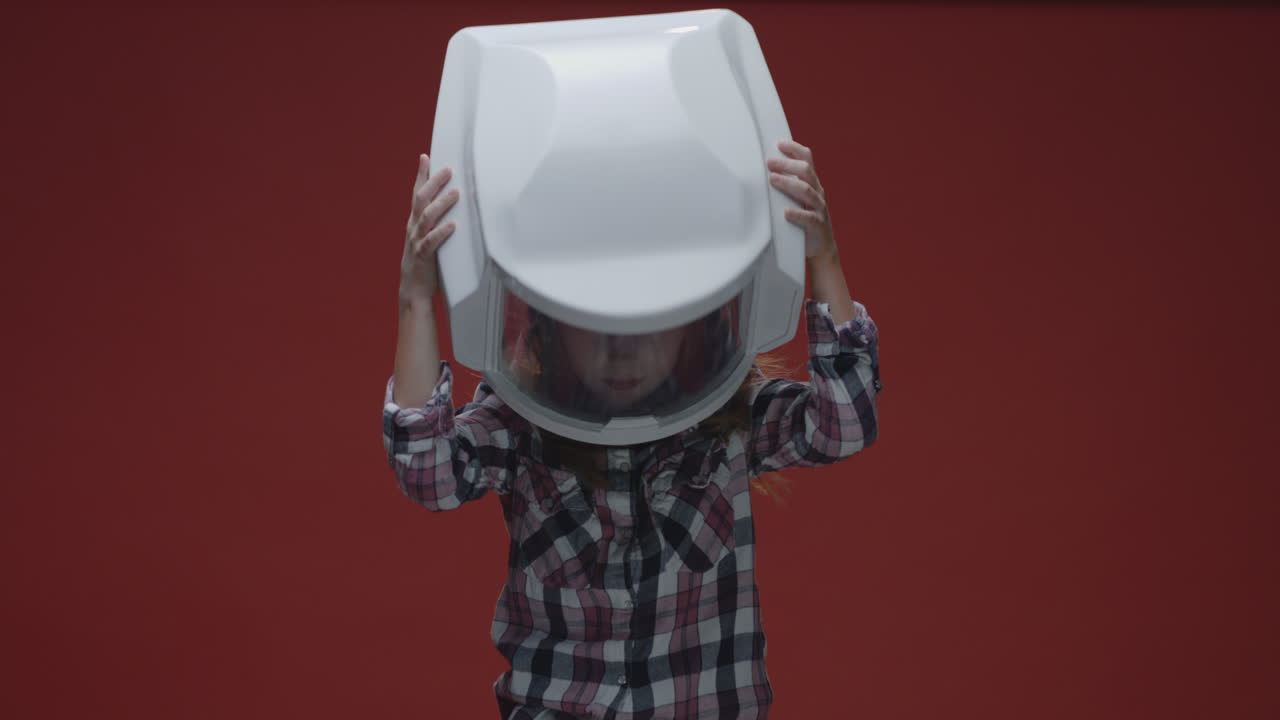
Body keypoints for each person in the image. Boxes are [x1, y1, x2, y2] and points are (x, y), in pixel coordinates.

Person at [384, 139, 882, 719]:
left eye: (650, 325)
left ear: (692, 327)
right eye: (595, 326)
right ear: (551, 328)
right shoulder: (521, 427)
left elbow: (844, 423)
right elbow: (428, 472)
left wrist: (821, 255)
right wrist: (416, 296)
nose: (622, 355)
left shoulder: (730, 424)